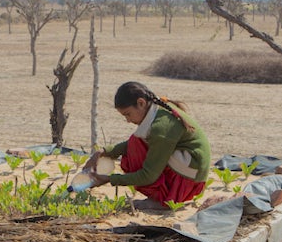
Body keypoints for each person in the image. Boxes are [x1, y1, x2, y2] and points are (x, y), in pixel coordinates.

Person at [89, 81, 211, 209]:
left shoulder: (160, 129)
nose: (128, 120)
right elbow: (135, 143)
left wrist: (109, 179)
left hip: (188, 181)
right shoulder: (158, 109)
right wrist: (102, 152)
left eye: (128, 114)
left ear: (141, 103)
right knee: (136, 142)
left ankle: (162, 200)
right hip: (192, 172)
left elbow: (148, 176)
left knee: (137, 146)